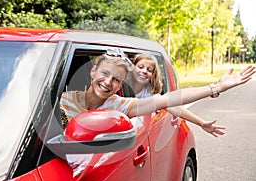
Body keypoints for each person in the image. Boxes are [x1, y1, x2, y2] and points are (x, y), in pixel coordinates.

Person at [60, 48, 255, 133]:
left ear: (121, 85)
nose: (108, 82)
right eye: (104, 73)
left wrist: (216, 88)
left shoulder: (119, 105)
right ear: (93, 71)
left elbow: (169, 100)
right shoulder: (61, 99)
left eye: (116, 79)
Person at [130, 53, 225, 137]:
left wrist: (201, 123)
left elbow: (172, 105)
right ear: (132, 68)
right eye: (140, 67)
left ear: (152, 75)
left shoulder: (149, 94)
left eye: (149, 70)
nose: (144, 71)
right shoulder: (118, 85)